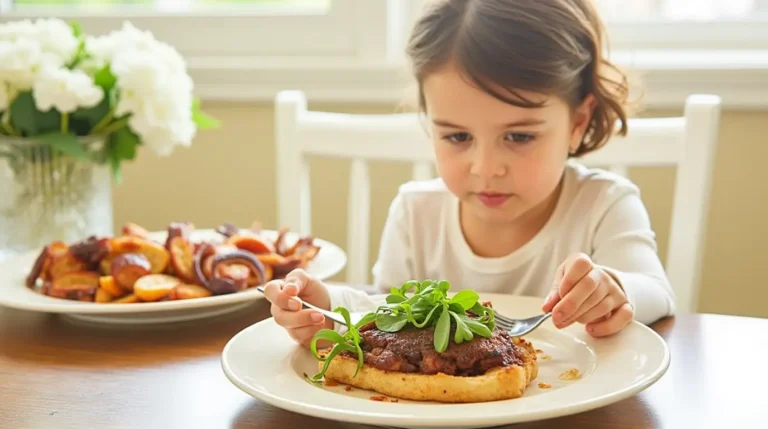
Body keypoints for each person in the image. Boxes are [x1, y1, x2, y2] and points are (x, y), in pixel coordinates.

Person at [263, 0, 676, 348]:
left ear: (577, 122)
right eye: (458, 136)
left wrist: (614, 290)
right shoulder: (415, 211)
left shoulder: (604, 204)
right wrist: (327, 308)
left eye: (518, 136)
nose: (485, 168)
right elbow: (389, 314)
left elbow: (657, 293)